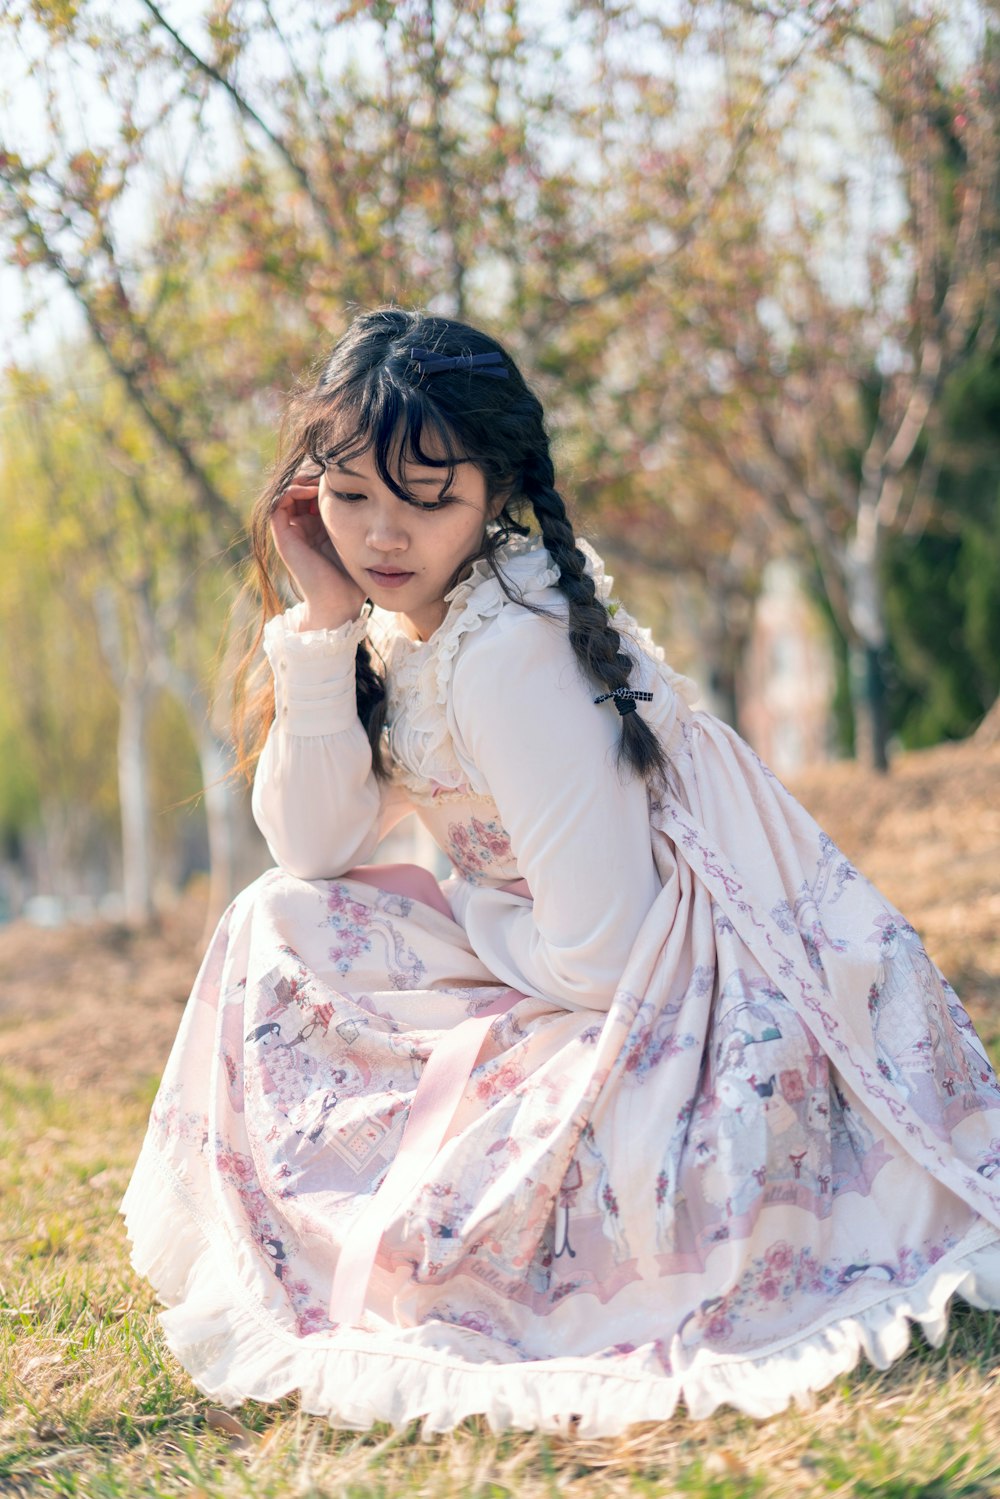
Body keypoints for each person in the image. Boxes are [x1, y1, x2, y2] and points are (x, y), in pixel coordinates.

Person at [122, 308, 1000, 1436]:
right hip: (570, 954)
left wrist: (469, 908)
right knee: (276, 917)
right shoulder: (400, 623)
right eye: (349, 496)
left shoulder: (508, 644)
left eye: (426, 498)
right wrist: (324, 627)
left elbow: (605, 950)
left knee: (339, 964)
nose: (381, 534)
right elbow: (311, 846)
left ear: (497, 490)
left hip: (683, 987)